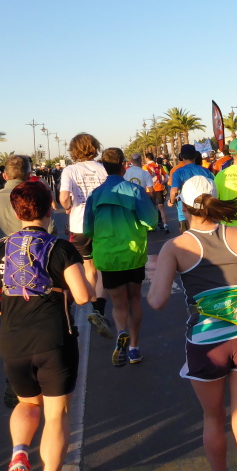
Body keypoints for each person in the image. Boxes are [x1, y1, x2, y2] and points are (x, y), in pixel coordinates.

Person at [147, 176, 237, 471]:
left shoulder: (175, 247)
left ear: (183, 208)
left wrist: (156, 276)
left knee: (213, 418)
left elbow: (157, 301)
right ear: (216, 200)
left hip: (207, 342)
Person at [0, 181, 94, 471]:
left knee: (26, 403)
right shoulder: (60, 248)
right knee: (55, 415)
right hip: (53, 338)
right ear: (49, 208)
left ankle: (19, 453)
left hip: (12, 339)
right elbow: (82, 297)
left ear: (16, 212)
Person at [84, 148, 158, 366]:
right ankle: (134, 348)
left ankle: (120, 333)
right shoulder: (135, 190)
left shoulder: (95, 194)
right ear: (123, 166)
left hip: (108, 256)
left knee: (118, 303)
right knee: (134, 299)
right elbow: (151, 221)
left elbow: (87, 229)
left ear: (104, 167)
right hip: (133, 254)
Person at [59, 133, 112, 338]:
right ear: (94, 148)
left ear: (74, 150)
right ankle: (99, 309)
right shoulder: (102, 168)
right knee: (102, 267)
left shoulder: (70, 170)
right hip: (103, 222)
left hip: (80, 224)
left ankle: (92, 304)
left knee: (89, 268)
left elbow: (64, 197)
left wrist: (68, 206)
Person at [168, 144, 214, 233]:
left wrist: (171, 202)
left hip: (185, 213)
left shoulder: (178, 172)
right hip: (204, 210)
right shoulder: (205, 171)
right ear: (196, 155)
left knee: (188, 239)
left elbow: (174, 191)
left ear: (181, 156)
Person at [144, 152, 169, 233]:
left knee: (151, 208)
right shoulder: (159, 166)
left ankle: (152, 226)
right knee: (161, 208)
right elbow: (167, 177)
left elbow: (145, 177)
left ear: (147, 158)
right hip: (159, 188)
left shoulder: (145, 167)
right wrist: (162, 182)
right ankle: (165, 225)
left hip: (149, 190)